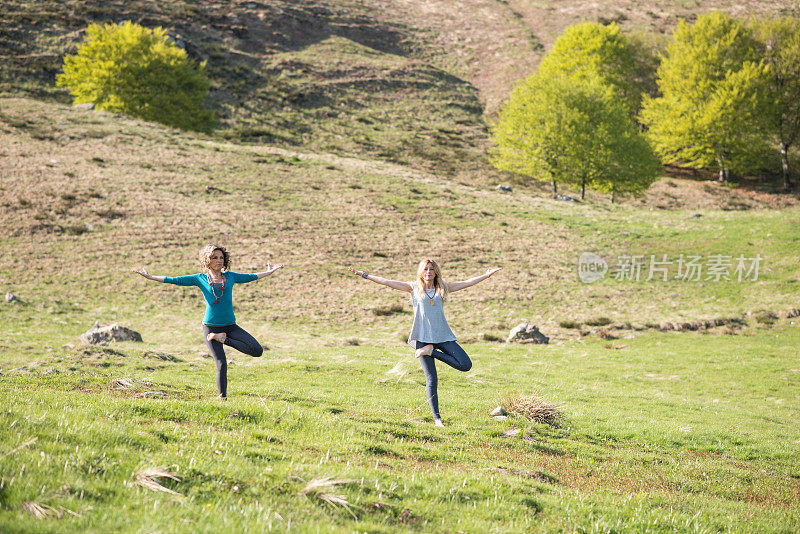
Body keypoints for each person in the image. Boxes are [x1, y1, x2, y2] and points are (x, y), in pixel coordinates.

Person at [348, 260, 501, 426]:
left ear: (436, 273)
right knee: (431, 379)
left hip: (442, 336)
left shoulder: (442, 288)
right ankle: (437, 419)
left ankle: (431, 351)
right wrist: (364, 275)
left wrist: (486, 275)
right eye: (426, 269)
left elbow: (466, 283)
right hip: (422, 337)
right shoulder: (413, 287)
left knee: (465, 365)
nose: (428, 272)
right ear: (421, 272)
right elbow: (387, 282)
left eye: (432, 269)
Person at [133, 244, 283, 400]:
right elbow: (175, 280)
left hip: (230, 327)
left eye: (221, 258)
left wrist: (269, 272)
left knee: (257, 350)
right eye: (214, 258)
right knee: (221, 363)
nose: (218, 261)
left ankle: (224, 339)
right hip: (210, 328)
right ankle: (222, 398)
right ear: (207, 260)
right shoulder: (200, 279)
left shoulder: (230, 277)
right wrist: (150, 277)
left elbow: (252, 276)